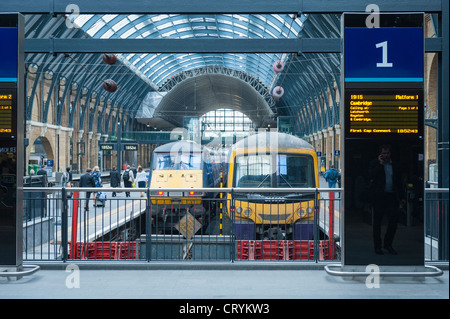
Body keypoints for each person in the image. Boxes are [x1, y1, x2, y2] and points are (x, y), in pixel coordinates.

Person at [368, 144, 403, 255]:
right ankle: (377, 247)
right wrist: (380, 164)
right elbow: (371, 176)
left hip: (391, 197)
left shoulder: (395, 165)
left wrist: (401, 197)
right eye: (384, 153)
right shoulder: (375, 163)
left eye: (387, 153)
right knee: (377, 223)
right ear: (380, 154)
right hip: (378, 197)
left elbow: (399, 181)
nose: (386, 155)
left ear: (390, 154)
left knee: (393, 222)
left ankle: (388, 244)